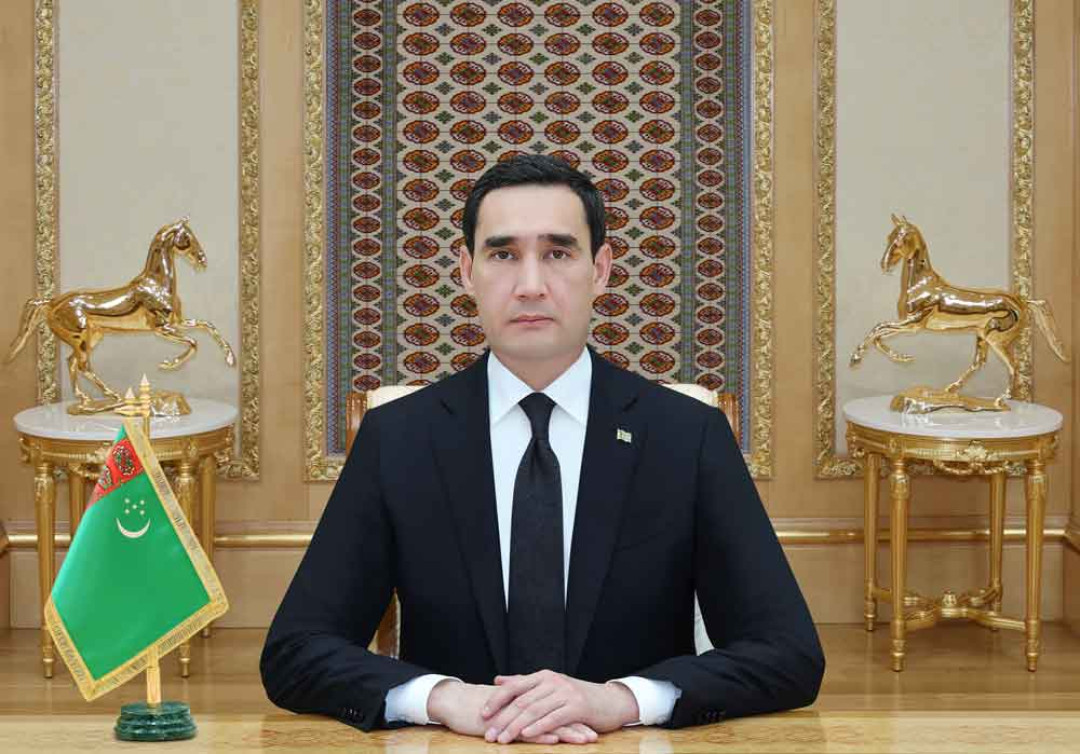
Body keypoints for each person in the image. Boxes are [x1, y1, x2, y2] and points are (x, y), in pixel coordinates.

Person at [261, 154, 824, 745]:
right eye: (503, 255)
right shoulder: (398, 438)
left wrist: (622, 699)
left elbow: (787, 653)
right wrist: (445, 698)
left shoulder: (686, 435)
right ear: (467, 271)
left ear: (600, 270)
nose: (530, 284)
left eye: (557, 253)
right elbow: (296, 651)